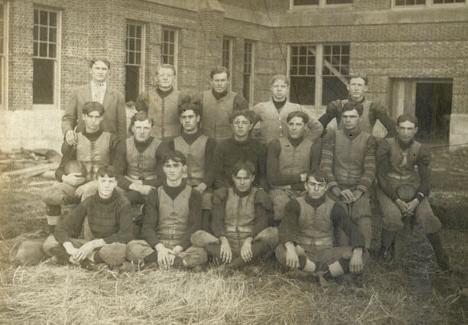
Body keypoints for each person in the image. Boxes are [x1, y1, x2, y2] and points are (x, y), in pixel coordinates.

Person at [376, 114, 450, 270]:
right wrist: (397, 201)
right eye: (402, 128)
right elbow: (381, 177)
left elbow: (425, 181)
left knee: (428, 218)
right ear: (396, 128)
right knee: (393, 218)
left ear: (416, 130)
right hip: (389, 188)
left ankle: (441, 256)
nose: (405, 132)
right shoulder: (386, 145)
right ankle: (384, 250)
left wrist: (416, 200)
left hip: (411, 188)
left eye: (409, 129)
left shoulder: (421, 149)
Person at [42, 102, 122, 233]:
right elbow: (60, 169)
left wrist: (97, 183)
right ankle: (54, 232)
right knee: (50, 193)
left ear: (102, 118)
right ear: (83, 117)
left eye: (97, 117)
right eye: (90, 116)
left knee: (89, 192)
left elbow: (118, 169)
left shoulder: (111, 139)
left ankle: (85, 236)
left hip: (102, 184)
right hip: (77, 185)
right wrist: (66, 179)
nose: (94, 121)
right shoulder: (74, 140)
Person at [276, 172, 365, 283]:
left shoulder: (335, 207)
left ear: (326, 187)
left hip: (326, 254)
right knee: (281, 250)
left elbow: (352, 229)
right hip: (303, 252)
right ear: (306, 186)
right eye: (312, 184)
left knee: (363, 254)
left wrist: (357, 250)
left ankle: (313, 274)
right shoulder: (295, 204)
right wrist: (290, 248)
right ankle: (330, 274)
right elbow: (286, 227)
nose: (316, 188)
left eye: (320, 185)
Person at [126, 151, 207, 269]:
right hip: (160, 244)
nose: (171, 170)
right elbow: (148, 227)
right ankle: (176, 262)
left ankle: (158, 262)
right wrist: (160, 249)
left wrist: (178, 248)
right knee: (131, 247)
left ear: (184, 168)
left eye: (176, 165)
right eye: (168, 166)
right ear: (163, 169)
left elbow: (194, 226)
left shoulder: (194, 194)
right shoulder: (154, 194)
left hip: (182, 246)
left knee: (201, 253)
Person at [191, 161, 278, 271]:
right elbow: (217, 221)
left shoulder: (259, 195)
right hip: (227, 244)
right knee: (197, 236)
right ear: (233, 178)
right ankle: (243, 264)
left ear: (252, 178)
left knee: (273, 234)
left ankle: (230, 266)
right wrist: (224, 240)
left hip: (250, 245)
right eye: (238, 178)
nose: (242, 182)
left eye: (246, 178)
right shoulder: (223, 193)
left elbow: (262, 222)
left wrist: (248, 240)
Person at [42, 166, 133, 269]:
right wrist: (70, 248)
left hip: (108, 244)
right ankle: (81, 259)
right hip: (87, 245)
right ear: (96, 182)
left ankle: (79, 260)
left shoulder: (123, 203)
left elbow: (126, 234)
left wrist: (93, 245)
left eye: (110, 182)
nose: (106, 185)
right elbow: (63, 227)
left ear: (116, 183)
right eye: (103, 181)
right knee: (49, 243)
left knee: (117, 251)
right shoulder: (89, 201)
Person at [321, 102, 377, 250]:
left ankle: (364, 253)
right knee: (341, 215)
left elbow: (370, 169)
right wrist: (337, 190)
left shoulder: (369, 139)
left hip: (358, 189)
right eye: (345, 116)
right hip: (336, 188)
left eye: (352, 116)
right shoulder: (333, 135)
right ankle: (343, 253)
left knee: (363, 215)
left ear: (359, 118)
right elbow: (326, 167)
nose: (348, 120)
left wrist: (359, 192)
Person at [158, 97, 217, 230]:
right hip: (179, 186)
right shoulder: (172, 142)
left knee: (206, 201)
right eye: (184, 117)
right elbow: (166, 168)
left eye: (191, 117)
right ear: (180, 120)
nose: (187, 120)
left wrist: (202, 186)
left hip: (201, 186)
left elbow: (212, 169)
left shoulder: (209, 142)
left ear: (198, 118)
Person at [267, 111, 321, 223]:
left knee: (308, 211)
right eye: (291, 124)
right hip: (280, 190)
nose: (294, 128)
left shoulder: (313, 147)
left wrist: (292, 184)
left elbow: (313, 176)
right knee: (282, 206)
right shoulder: (275, 144)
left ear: (305, 127)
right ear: (287, 126)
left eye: (298, 124)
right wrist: (300, 177)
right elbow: (273, 178)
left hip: (303, 191)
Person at [62, 58, 127, 144]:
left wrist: (121, 149)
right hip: (83, 142)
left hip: (109, 144)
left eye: (104, 69)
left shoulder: (117, 96)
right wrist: (68, 131)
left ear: (109, 72)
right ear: (90, 71)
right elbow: (68, 118)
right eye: (97, 68)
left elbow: (122, 127)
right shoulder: (78, 93)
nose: (100, 72)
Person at [253, 74, 323, 145]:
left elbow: (317, 127)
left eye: (283, 86)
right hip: (266, 150)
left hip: (289, 152)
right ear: (271, 88)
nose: (279, 89)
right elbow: (247, 126)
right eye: (276, 86)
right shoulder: (260, 107)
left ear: (287, 88)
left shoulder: (297, 108)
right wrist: (256, 142)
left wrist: (306, 143)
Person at [318, 73, 395, 137]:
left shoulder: (373, 107)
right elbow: (318, 126)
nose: (356, 88)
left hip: (365, 151)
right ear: (348, 87)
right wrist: (329, 140)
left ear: (365, 88)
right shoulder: (338, 105)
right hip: (341, 149)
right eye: (353, 84)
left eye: (359, 85)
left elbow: (394, 129)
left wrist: (382, 146)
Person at [116, 110, 165, 205]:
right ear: (133, 128)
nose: (142, 132)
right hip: (129, 185)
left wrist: (145, 185)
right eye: (138, 127)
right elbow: (117, 174)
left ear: (151, 128)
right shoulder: (123, 145)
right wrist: (135, 186)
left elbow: (164, 177)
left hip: (152, 186)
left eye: (146, 128)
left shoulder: (160, 146)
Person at [212, 110, 267, 190]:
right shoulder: (222, 147)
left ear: (250, 126)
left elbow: (263, 175)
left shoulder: (259, 147)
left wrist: (259, 190)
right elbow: (217, 174)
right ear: (232, 126)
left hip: (252, 190)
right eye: (237, 123)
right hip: (228, 190)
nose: (240, 126)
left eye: (244, 123)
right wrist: (225, 189)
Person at [136, 64, 186, 140]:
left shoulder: (181, 97)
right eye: (162, 75)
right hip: (152, 139)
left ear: (174, 78)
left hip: (174, 140)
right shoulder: (146, 96)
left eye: (169, 75)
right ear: (156, 78)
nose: (165, 78)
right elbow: (140, 120)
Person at [199, 66, 250, 141]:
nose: (219, 84)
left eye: (223, 80)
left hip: (228, 145)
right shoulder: (201, 98)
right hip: (205, 144)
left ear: (228, 81)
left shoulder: (238, 100)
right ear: (211, 82)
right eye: (217, 80)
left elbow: (245, 126)